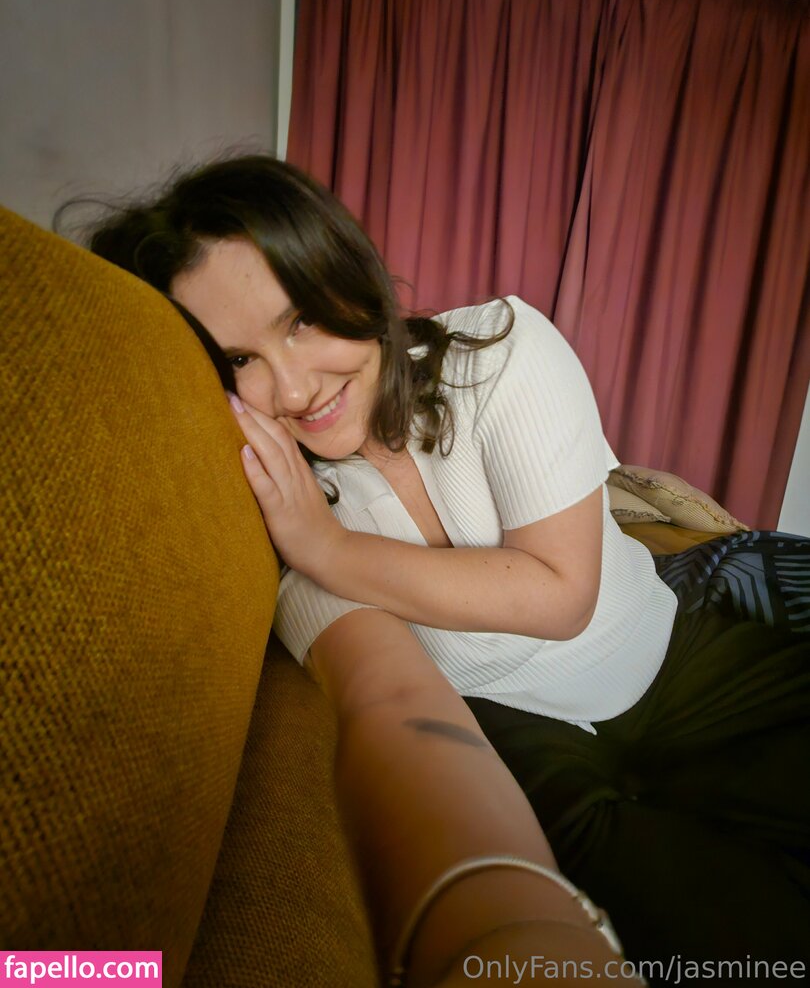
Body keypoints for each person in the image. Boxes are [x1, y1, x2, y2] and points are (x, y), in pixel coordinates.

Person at [77, 153, 809, 984]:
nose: (295, 388)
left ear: (350, 277)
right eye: (241, 359)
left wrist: (330, 549)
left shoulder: (502, 354)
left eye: (301, 321)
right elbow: (384, 698)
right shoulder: (272, 494)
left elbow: (561, 596)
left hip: (676, 653)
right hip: (520, 740)